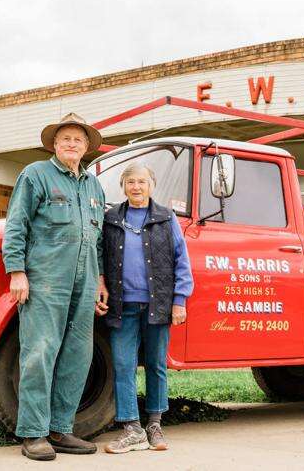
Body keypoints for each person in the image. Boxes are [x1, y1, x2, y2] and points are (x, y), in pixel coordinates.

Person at [2, 112, 107, 460]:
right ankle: (33, 433)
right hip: (46, 280)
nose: (72, 144)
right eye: (66, 139)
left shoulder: (93, 186)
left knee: (78, 355)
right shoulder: (35, 175)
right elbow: (16, 224)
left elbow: (98, 239)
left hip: (86, 281)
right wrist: (16, 271)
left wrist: (100, 279)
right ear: (55, 145)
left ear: (87, 146)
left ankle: (61, 429)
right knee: (40, 352)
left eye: (78, 139)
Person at [98, 162, 193, 453]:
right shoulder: (111, 218)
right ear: (123, 186)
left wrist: (179, 300)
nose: (136, 187)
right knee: (123, 365)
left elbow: (181, 259)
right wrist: (98, 282)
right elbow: (100, 253)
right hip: (121, 305)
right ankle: (132, 428)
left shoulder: (166, 217)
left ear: (151, 185)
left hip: (158, 304)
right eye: (130, 182)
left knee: (155, 364)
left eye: (142, 181)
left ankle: (154, 424)